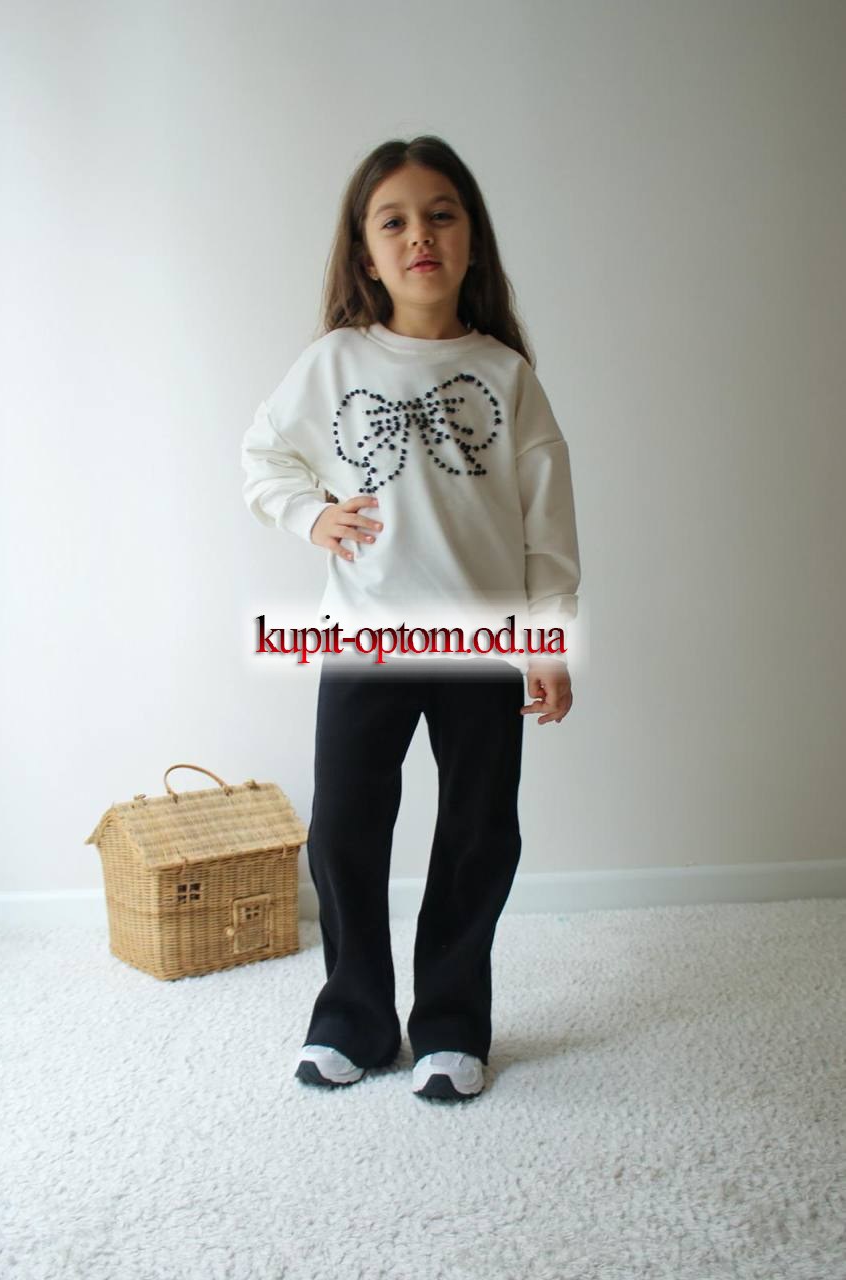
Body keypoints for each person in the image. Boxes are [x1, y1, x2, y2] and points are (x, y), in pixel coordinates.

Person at [241, 135, 582, 1102]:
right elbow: (263, 457)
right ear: (366, 252)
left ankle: (451, 1025)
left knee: (479, 834)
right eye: (393, 221)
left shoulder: (506, 376)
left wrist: (549, 641)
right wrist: (311, 515)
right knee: (345, 831)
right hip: (364, 640)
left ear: (471, 238)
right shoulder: (336, 362)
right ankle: (352, 1017)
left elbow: (548, 528)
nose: (420, 235)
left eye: (441, 215)